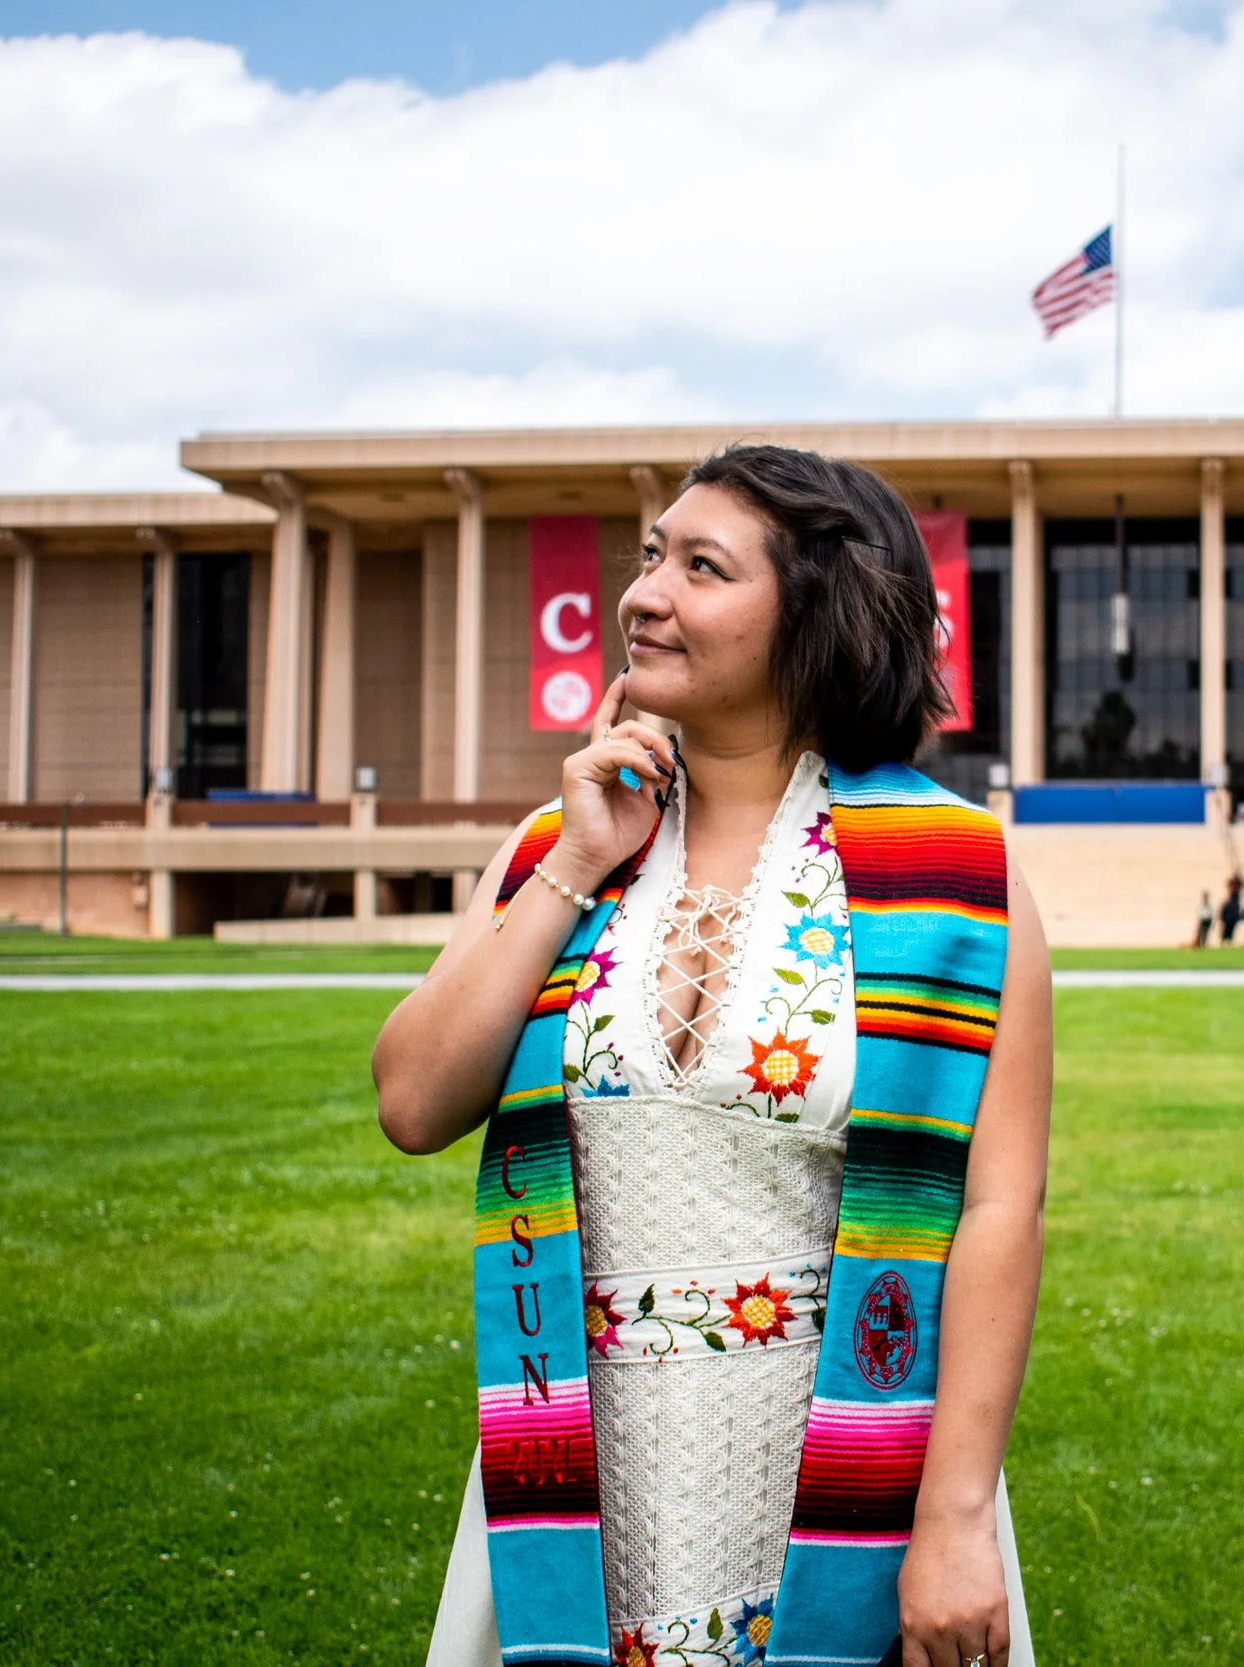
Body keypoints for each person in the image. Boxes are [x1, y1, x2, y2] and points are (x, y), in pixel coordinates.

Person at [374, 445, 1052, 1667]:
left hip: (845, 1464)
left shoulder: (956, 872)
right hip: (585, 1471)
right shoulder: (559, 843)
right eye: (649, 556)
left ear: (818, 613)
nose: (645, 594)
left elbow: (998, 1204)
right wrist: (575, 864)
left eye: (701, 566)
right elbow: (415, 1099)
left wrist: (955, 1518)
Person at [1218, 874, 1244, 945]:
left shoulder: (1234, 903)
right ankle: (1225, 940)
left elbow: (1242, 884)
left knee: (1229, 930)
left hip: (1231, 918)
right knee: (1227, 930)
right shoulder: (1230, 903)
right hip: (1230, 918)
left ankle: (1227, 941)